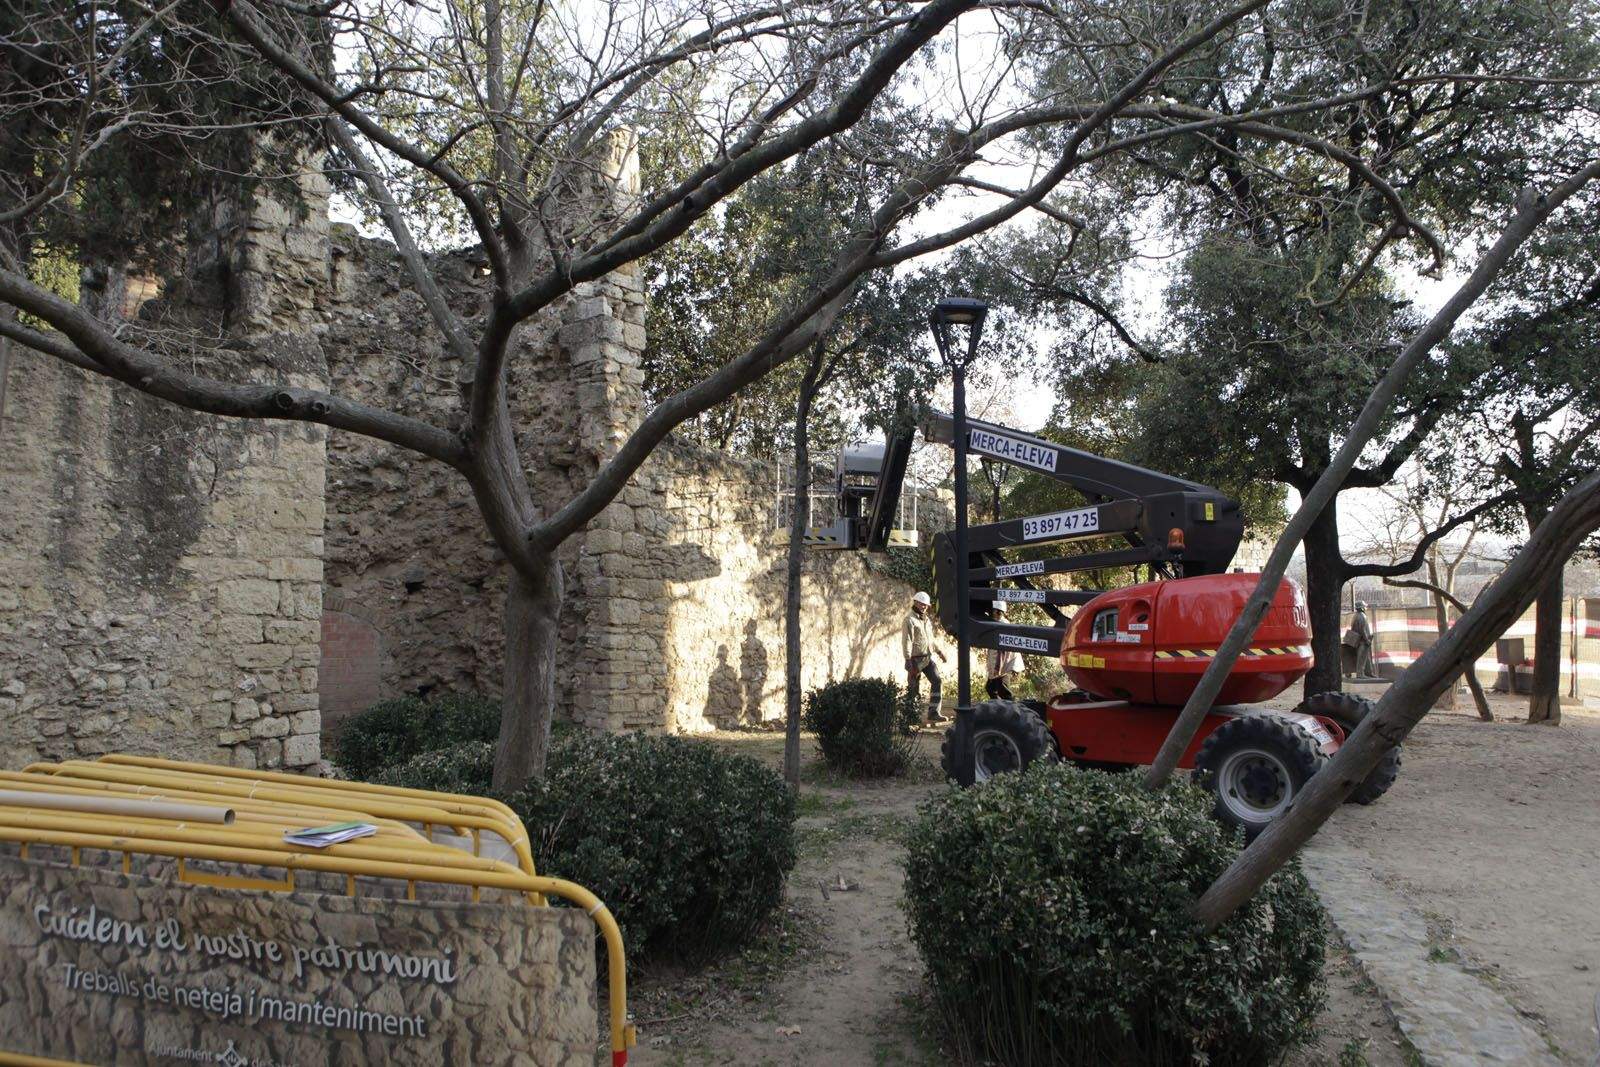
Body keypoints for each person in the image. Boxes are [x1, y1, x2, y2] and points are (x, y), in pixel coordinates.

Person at [903, 591, 948, 723]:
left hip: (927, 658)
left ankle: (934, 713)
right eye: (921, 604)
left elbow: (931, 640)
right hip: (915, 660)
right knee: (913, 688)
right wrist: (907, 659)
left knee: (937, 681)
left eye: (926, 605)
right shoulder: (909, 620)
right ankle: (910, 717)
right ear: (915, 602)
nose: (924, 606)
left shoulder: (926, 620)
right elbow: (906, 640)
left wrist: (940, 652)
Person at [985, 601, 1025, 700]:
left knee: (1004, 691)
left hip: (1004, 665)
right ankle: (1000, 706)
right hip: (1001, 664)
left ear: (997, 612)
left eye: (992, 611)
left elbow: (1002, 651)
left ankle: (1010, 707)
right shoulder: (998, 623)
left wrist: (997, 669)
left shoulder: (1002, 625)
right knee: (990, 688)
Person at [1343, 601, 1376, 679]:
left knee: (1366, 658)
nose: (1366, 607)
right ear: (1362, 608)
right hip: (1362, 641)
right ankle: (1360, 674)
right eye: (1364, 606)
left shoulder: (1356, 615)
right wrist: (1366, 640)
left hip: (1359, 640)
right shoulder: (1361, 616)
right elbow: (1362, 630)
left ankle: (1369, 673)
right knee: (1362, 658)